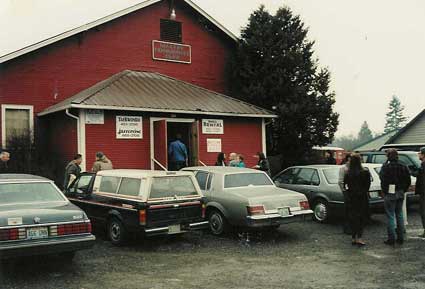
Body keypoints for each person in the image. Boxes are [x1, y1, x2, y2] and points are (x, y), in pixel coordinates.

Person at [379, 149, 411, 246]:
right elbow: (408, 179)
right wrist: (404, 189)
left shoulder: (385, 166)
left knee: (390, 216)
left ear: (388, 156)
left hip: (390, 192)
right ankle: (400, 237)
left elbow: (382, 179)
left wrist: (385, 191)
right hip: (400, 191)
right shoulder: (403, 165)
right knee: (399, 214)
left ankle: (391, 238)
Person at [343, 154, 371, 246]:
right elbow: (367, 186)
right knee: (361, 218)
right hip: (362, 198)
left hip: (351, 198)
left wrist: (348, 194)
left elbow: (345, 186)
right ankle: (359, 237)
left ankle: (353, 237)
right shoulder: (365, 172)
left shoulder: (348, 173)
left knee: (352, 218)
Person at [338, 153, 352, 235]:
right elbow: (340, 181)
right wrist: (344, 191)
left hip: (354, 192)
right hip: (347, 192)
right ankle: (347, 228)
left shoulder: (355, 168)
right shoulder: (343, 168)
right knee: (347, 210)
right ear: (348, 159)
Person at [416, 147, 425, 238]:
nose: (418, 154)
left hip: (424, 193)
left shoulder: (423, 166)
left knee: (423, 212)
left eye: (420, 153)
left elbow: (422, 181)